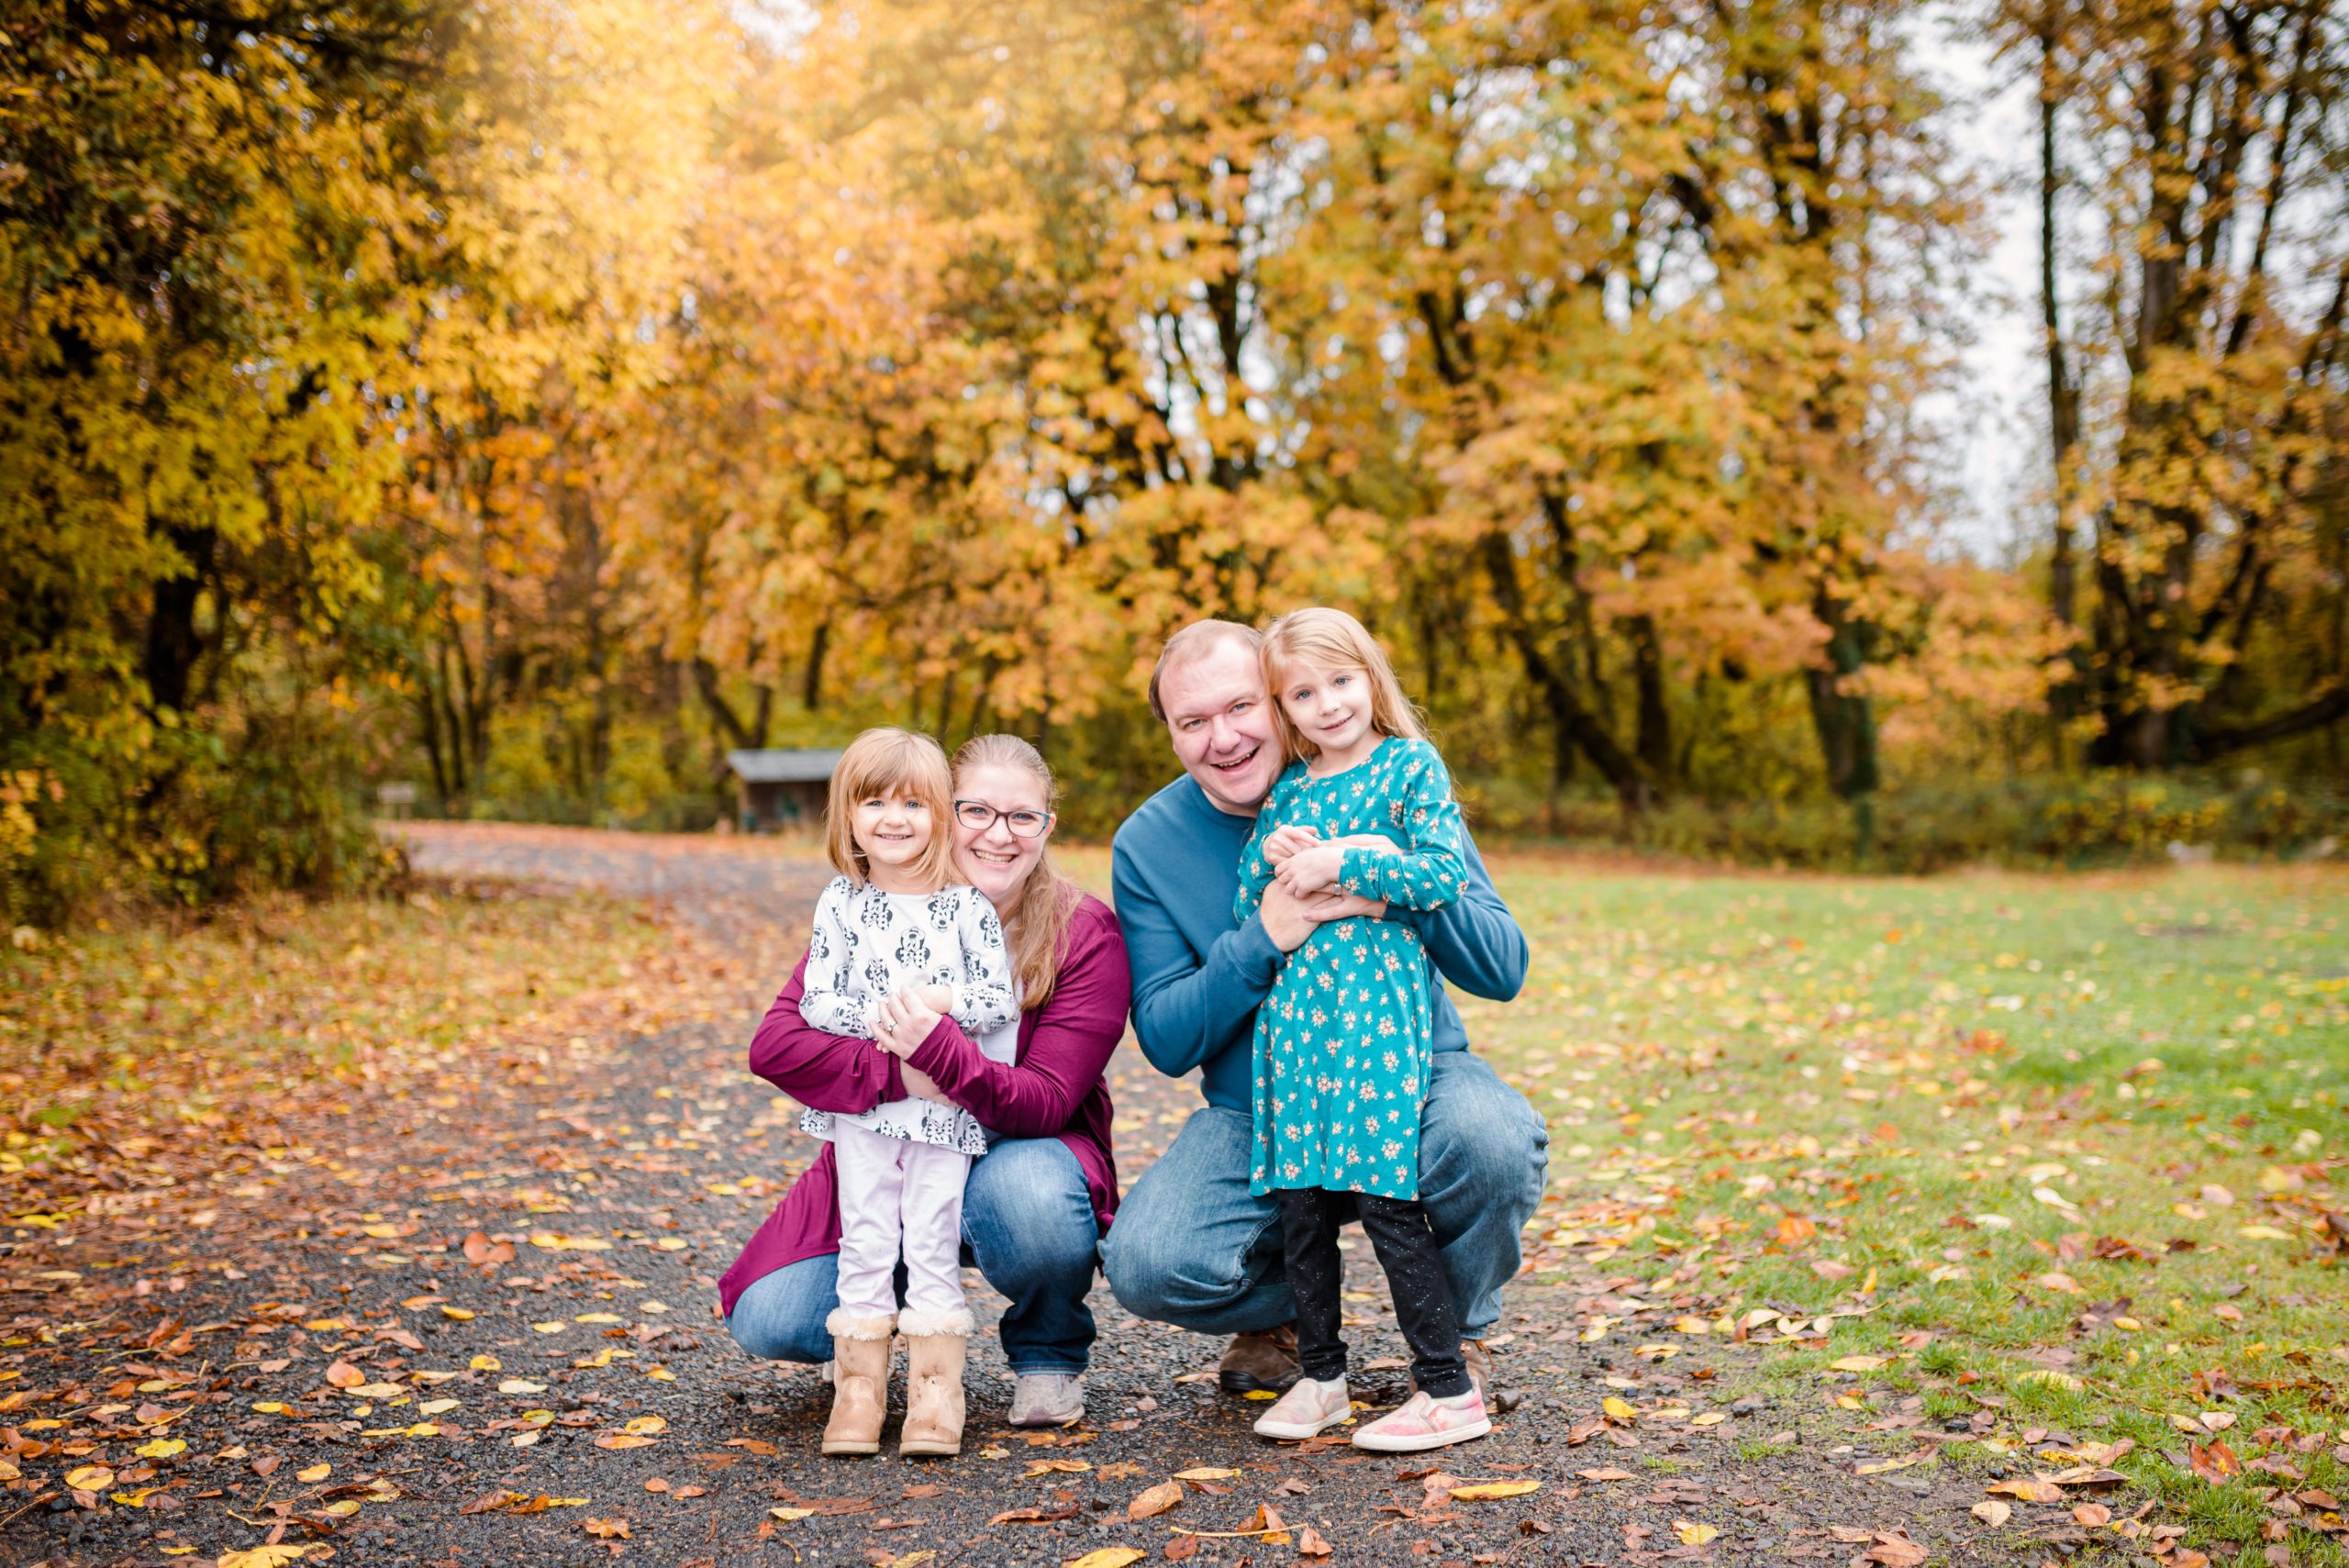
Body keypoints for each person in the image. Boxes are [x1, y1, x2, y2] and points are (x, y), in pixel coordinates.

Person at [1101, 617, 1547, 1409]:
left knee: (1495, 1139)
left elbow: (1501, 965)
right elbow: (1166, 1039)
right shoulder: (1149, 841)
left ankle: (1456, 1335)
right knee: (1147, 1260)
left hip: (1408, 1075)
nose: (1225, 737)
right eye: (1193, 721)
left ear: (1280, 700)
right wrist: (1261, 937)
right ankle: (1293, 1322)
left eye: (1243, 707)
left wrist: (1385, 889)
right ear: (1169, 734)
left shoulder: (1391, 780)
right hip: (1259, 1103)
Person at [720, 734, 1129, 1445]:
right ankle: (870, 1350)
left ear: (1047, 828)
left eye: (1022, 817)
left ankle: (1045, 1353)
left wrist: (935, 1049)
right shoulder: (868, 908)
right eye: (976, 810)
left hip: (1012, 1151)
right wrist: (898, 1072)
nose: (998, 835)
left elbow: (1044, 1101)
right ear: (946, 811)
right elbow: (778, 1042)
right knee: (773, 1317)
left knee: (1031, 1199)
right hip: (887, 1135)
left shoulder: (1081, 929)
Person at [1236, 607, 1486, 1451]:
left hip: (1376, 1018)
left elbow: (1444, 874)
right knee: (1302, 1207)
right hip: (1297, 1026)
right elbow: (1252, 908)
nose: (1328, 703)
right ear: (1283, 707)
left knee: (1387, 1198)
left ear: (1369, 675)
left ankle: (1448, 1389)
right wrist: (1280, 857)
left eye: (1340, 681)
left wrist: (1347, 860)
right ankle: (1322, 1375)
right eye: (1303, 692)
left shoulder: (1409, 765)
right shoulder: (1291, 794)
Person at [790, 727, 1021, 1457]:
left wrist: (940, 1003)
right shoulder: (842, 902)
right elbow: (816, 1001)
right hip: (865, 1110)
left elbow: (997, 1000)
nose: (894, 817)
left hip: (941, 1113)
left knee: (928, 1233)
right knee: (864, 1232)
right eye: (875, 801)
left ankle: (935, 1391)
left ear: (941, 816)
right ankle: (858, 1389)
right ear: (848, 813)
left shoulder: (967, 907)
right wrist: (887, 1023)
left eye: (914, 803)